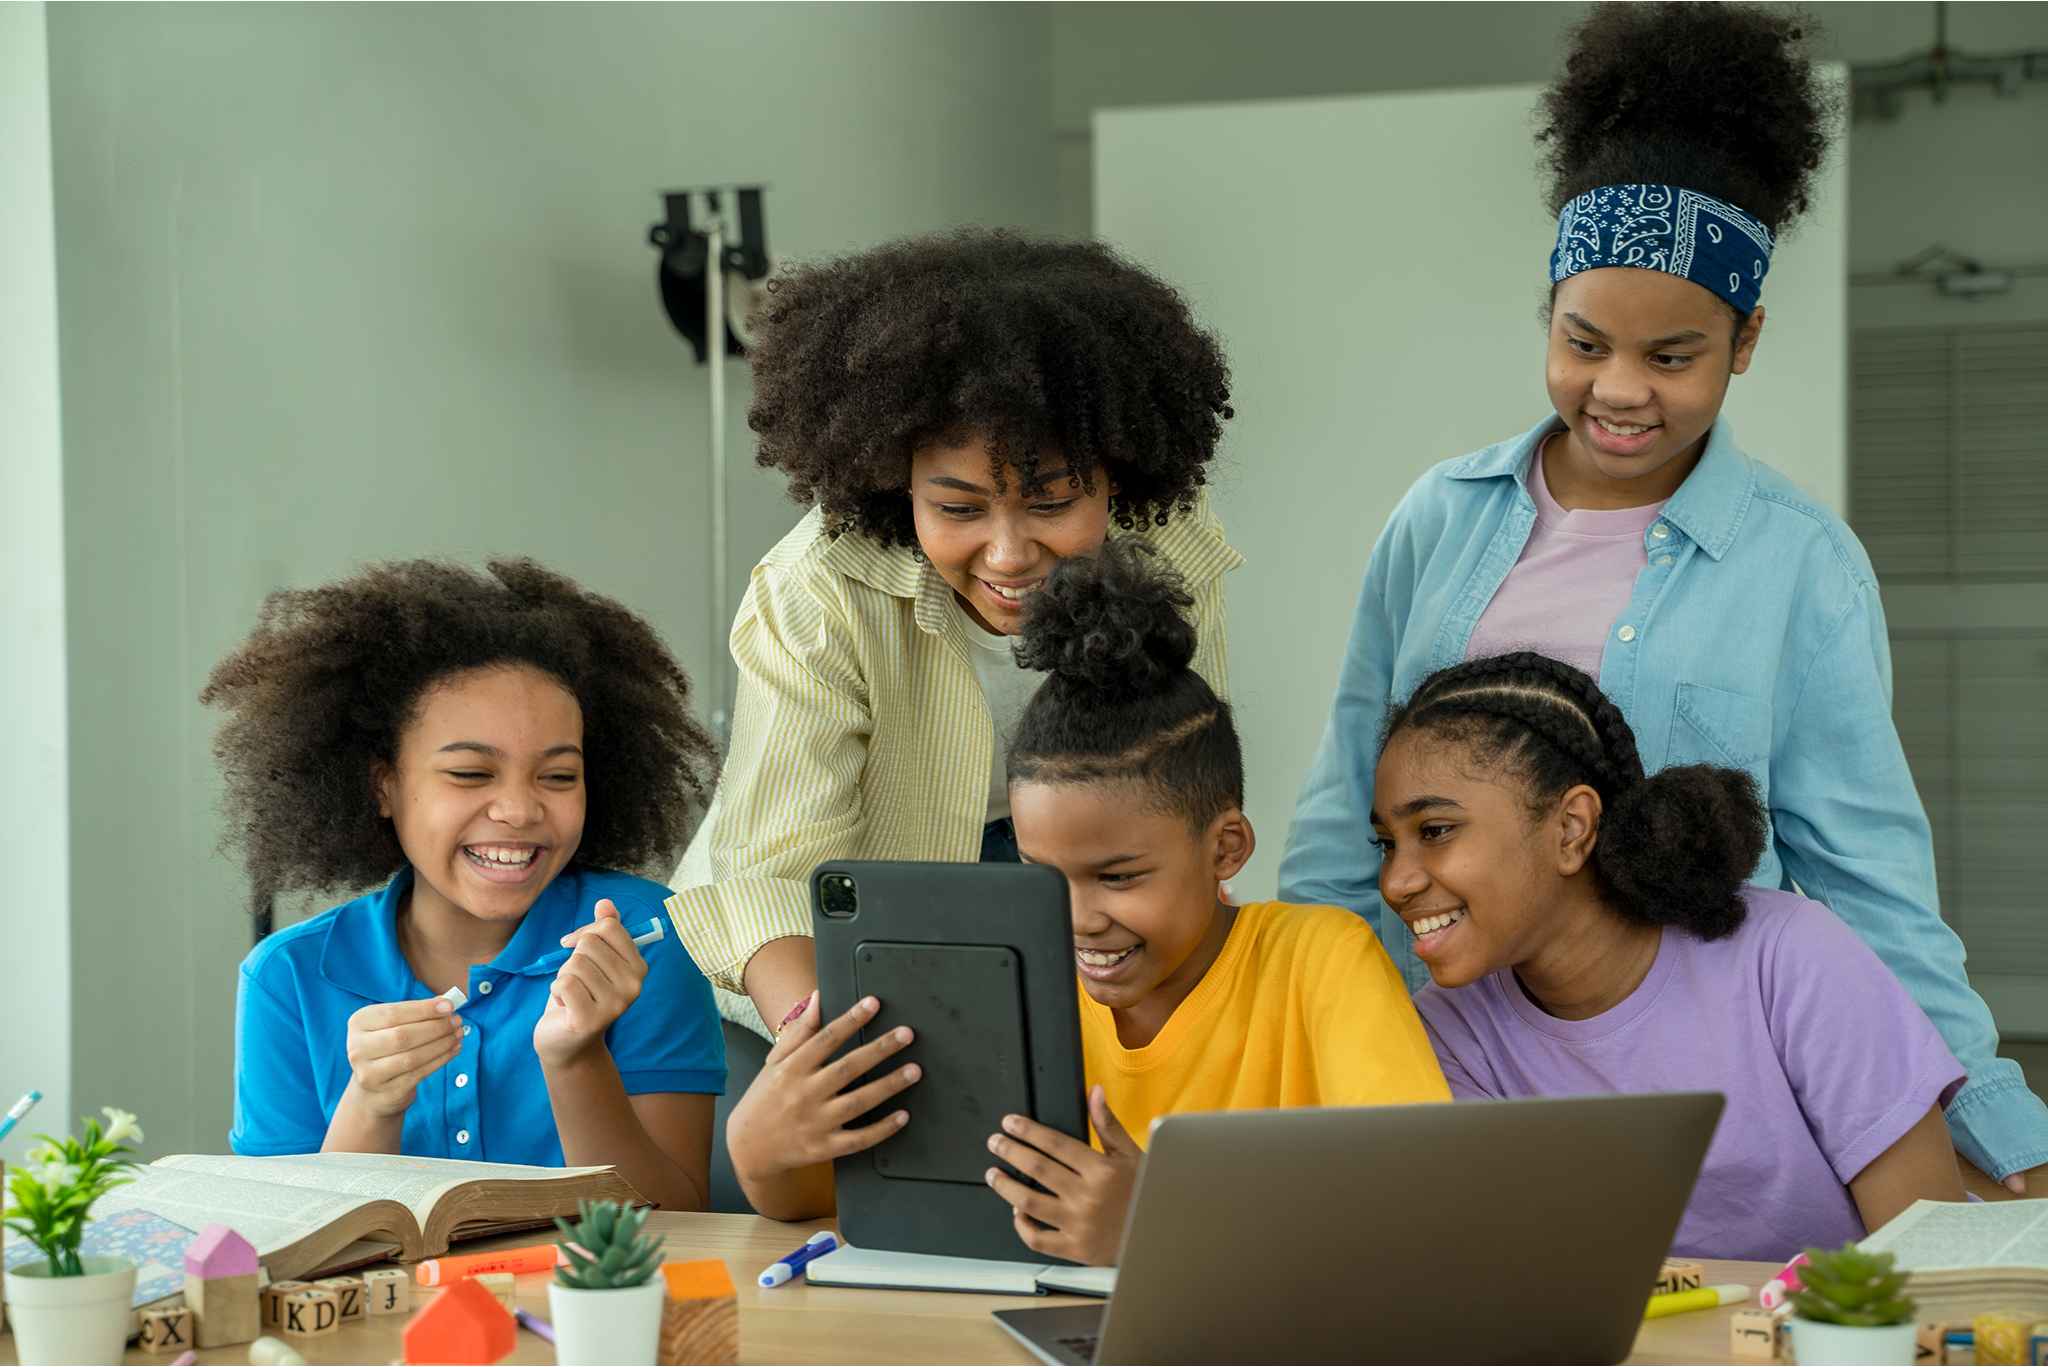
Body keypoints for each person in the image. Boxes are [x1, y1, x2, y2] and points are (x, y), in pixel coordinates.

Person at [1279, 0, 2047, 1188]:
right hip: (1457, 1059)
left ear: (1743, 342)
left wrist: (2001, 1134)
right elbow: (1340, 829)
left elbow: (1868, 888)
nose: (1618, 390)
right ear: (1548, 313)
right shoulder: (1437, 519)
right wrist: (1319, 1062)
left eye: (1671, 356)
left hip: (1715, 1090)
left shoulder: (1799, 564)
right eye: (1583, 342)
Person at [729, 543, 1448, 1263]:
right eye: (1043, 875)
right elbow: (816, 1199)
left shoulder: (1320, 960)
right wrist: (759, 1149)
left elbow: (1423, 1211)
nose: (1075, 917)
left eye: (1120, 875)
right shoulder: (1000, 989)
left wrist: (1161, 1229)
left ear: (1227, 848)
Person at [665, 229, 1242, 1045]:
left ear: (1119, 473)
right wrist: (817, 1041)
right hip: (825, 919)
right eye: (959, 508)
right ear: (896, 484)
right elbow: (777, 878)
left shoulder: (1166, 539)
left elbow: (1183, 793)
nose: (1008, 554)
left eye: (1050, 503)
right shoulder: (821, 589)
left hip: (1054, 876)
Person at [1378, 652, 1966, 1260]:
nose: (1396, 882)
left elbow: (1938, 1269)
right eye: (1386, 843)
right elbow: (1520, 1282)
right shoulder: (1446, 1033)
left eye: (1435, 830)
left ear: (1572, 828)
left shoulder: (1789, 956)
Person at [208, 558, 725, 1209]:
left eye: (559, 776)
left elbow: (677, 1218)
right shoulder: (287, 979)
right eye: (471, 774)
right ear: (384, 785)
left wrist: (576, 1060)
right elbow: (282, 1243)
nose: (519, 809)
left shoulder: (642, 937)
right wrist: (370, 1102)